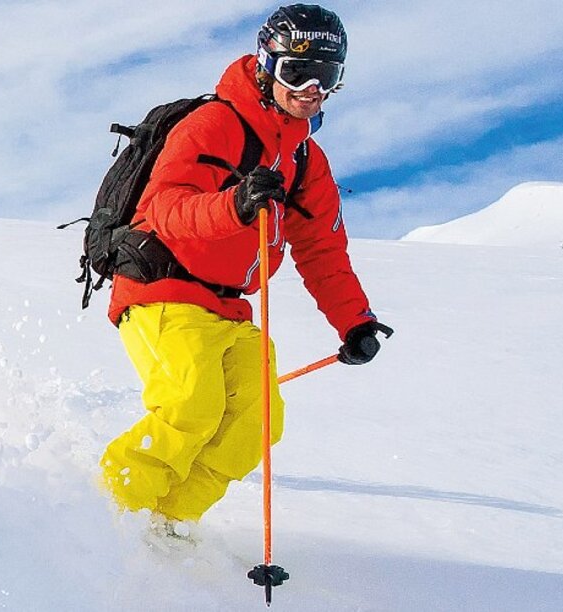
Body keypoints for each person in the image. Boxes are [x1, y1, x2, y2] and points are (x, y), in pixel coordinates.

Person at [98, 5, 392, 531]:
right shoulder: (213, 123)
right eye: (295, 72)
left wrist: (355, 321)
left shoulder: (307, 161)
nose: (310, 89)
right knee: (191, 404)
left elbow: (322, 250)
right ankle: (108, 516)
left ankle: (166, 526)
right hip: (160, 285)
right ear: (265, 66)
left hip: (227, 306)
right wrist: (232, 206)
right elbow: (165, 207)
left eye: (326, 77)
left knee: (256, 423)